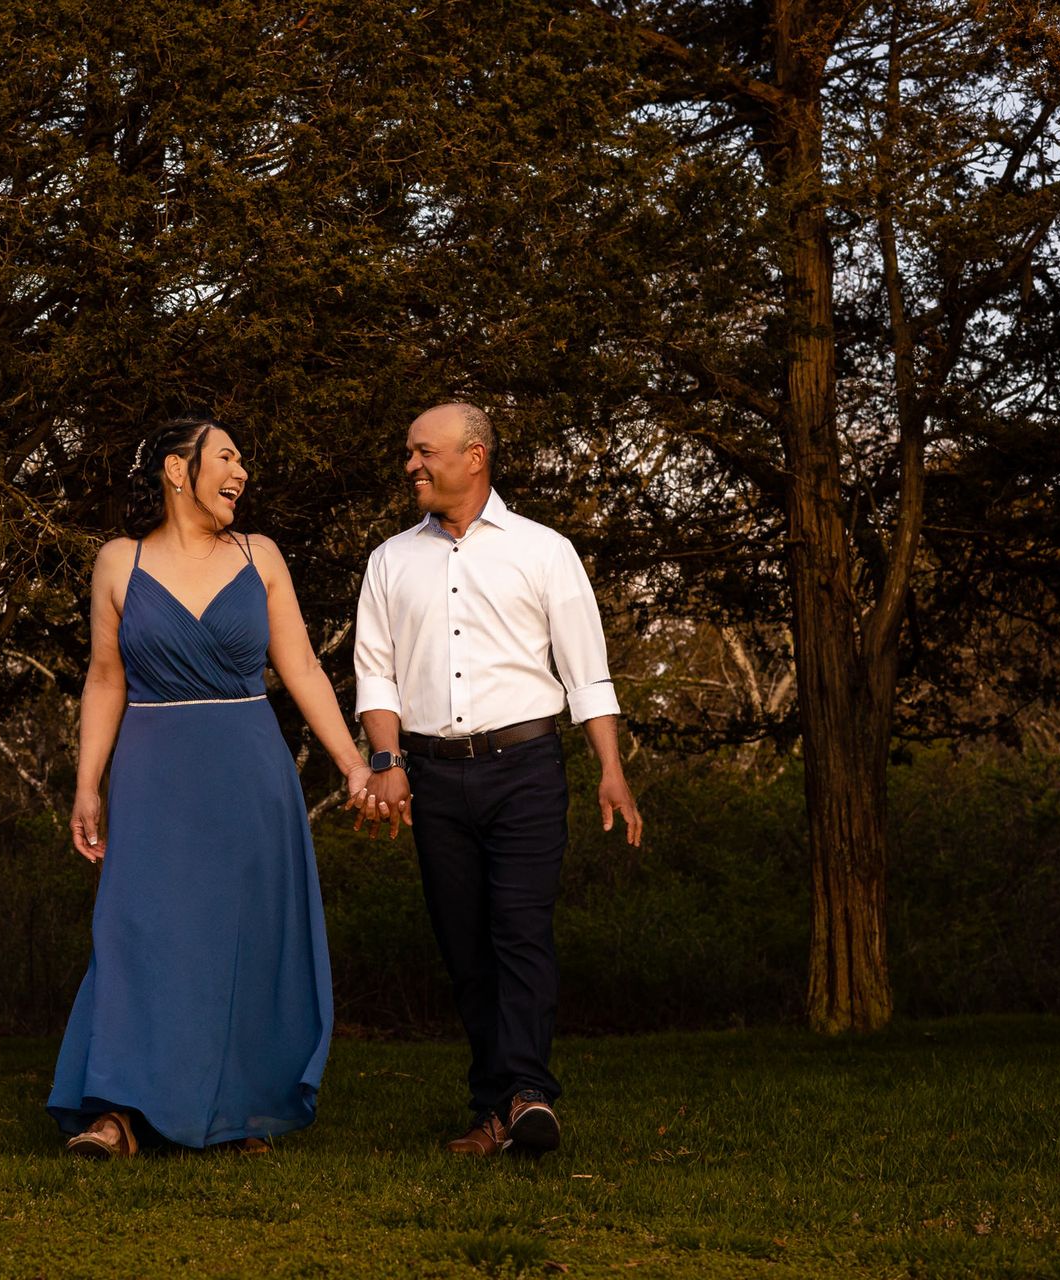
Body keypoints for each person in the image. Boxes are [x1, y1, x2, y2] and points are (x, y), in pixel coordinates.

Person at [47, 416, 372, 1157]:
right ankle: (115, 1113)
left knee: (243, 941)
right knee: (135, 934)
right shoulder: (117, 563)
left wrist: (352, 763)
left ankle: (238, 1114)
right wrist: (87, 785)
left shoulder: (260, 557)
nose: (242, 472)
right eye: (226, 457)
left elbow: (302, 668)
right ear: (175, 468)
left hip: (248, 771)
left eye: (242, 460)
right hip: (153, 772)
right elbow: (104, 677)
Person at [354, 402, 643, 1157]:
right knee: (464, 946)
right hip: (432, 779)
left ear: (473, 456)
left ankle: (526, 1096)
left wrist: (611, 769)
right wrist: (386, 764)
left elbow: (588, 674)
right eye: (410, 453)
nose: (411, 465)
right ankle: (491, 1108)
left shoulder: (545, 552)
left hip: (528, 771)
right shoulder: (390, 560)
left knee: (521, 930)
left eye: (423, 452)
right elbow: (375, 676)